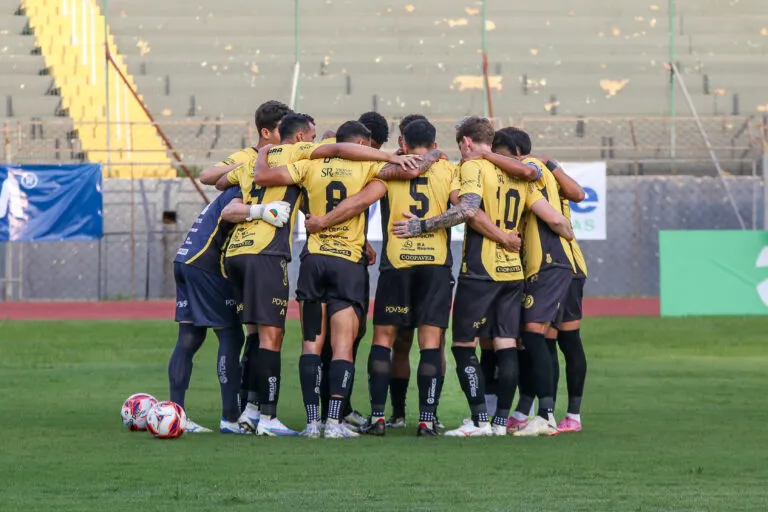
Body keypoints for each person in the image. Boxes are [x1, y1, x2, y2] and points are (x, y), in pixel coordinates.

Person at [218, 115, 419, 436]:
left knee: (311, 344)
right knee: (342, 346)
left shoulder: (308, 166)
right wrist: (407, 156)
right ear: (363, 146)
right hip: (346, 264)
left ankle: (312, 422)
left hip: (312, 262)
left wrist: (260, 153)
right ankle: (334, 421)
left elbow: (264, 176)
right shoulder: (368, 167)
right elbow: (401, 175)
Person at [393, 116, 573, 437]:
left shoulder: (473, 167)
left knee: (464, 345)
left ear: (465, 143)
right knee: (505, 344)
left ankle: (479, 421)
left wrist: (421, 225)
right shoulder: (517, 173)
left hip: (480, 271)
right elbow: (556, 218)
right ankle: (501, 421)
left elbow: (467, 210)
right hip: (513, 271)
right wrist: (567, 236)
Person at [196, 100, 293, 418]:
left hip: (240, 253)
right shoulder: (255, 158)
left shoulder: (271, 160)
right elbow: (209, 175)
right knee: (266, 335)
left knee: (253, 334)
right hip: (260, 252)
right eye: (283, 127)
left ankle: (247, 409)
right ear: (266, 132)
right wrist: (248, 166)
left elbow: (222, 185)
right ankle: (264, 414)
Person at [169, 186, 287, 435]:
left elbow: (211, 177)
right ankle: (230, 417)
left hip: (185, 259)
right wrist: (262, 211)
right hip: (206, 264)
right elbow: (230, 212)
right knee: (231, 336)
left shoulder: (234, 182)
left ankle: (175, 413)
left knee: (189, 338)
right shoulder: (242, 188)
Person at [493, 126, 578, 437]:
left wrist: (564, 229)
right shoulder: (519, 179)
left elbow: (556, 218)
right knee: (537, 338)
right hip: (537, 267)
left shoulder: (535, 167)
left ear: (516, 154)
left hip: (550, 264)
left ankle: (545, 414)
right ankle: (536, 411)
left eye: (501, 156)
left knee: (533, 334)